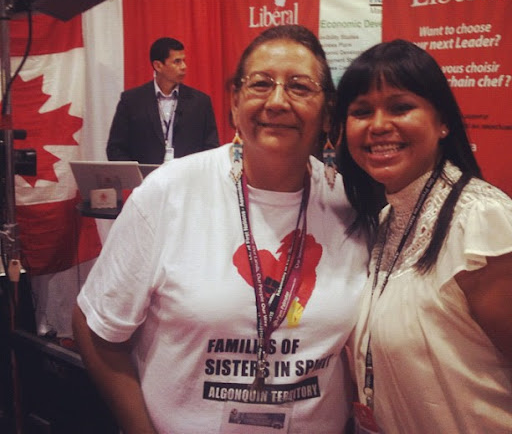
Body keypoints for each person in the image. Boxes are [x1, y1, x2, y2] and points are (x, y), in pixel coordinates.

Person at [72, 25, 369, 434]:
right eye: (260, 84)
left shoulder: (352, 206)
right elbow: (96, 328)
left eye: (300, 87)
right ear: (234, 101)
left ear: (328, 111)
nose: (277, 101)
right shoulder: (168, 193)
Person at [335, 39, 512, 433]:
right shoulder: (388, 219)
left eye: (400, 107)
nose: (378, 125)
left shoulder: (480, 220)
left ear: (442, 121)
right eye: (361, 111)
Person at [106, 37, 219, 164]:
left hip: (187, 175)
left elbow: (211, 148)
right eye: (177, 62)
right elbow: (116, 149)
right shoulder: (131, 101)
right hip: (146, 175)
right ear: (158, 66)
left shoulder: (200, 102)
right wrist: (136, 174)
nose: (184, 66)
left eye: (184, 61)